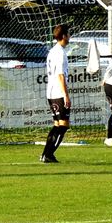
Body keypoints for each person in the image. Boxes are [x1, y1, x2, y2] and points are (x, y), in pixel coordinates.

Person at [40, 24, 72, 163]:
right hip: (58, 93)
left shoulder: (52, 51)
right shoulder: (60, 53)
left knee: (57, 125)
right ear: (64, 36)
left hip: (51, 92)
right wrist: (66, 95)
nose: (70, 36)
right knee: (63, 125)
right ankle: (48, 154)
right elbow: (60, 75)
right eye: (69, 34)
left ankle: (46, 154)